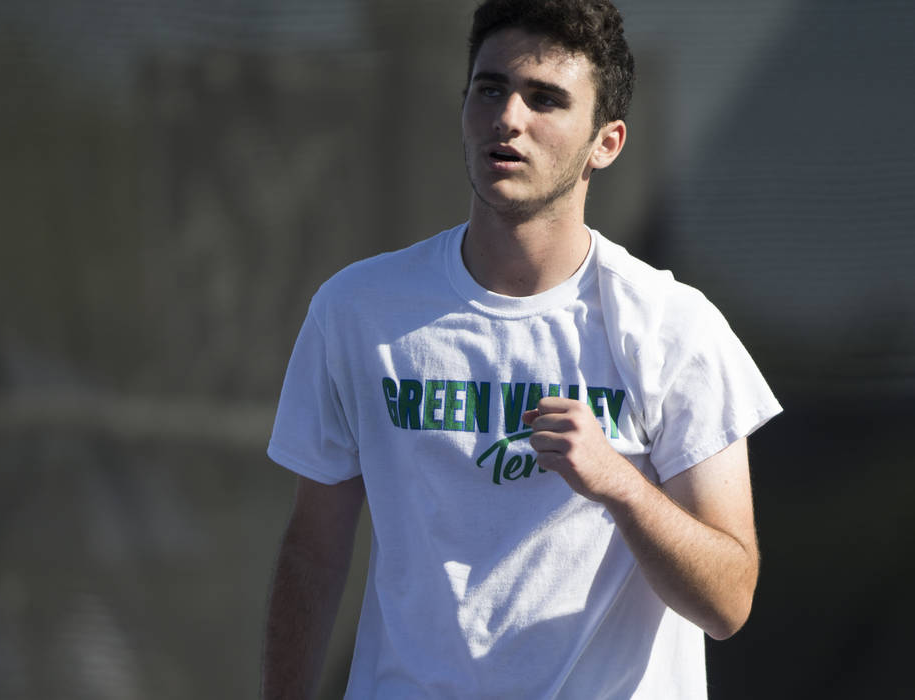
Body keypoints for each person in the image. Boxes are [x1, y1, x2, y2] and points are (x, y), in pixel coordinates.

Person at [262, 0, 782, 697]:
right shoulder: (356, 311)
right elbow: (313, 554)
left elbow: (728, 600)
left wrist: (620, 484)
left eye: (545, 99)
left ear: (608, 142)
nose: (508, 118)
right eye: (490, 88)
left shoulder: (673, 328)